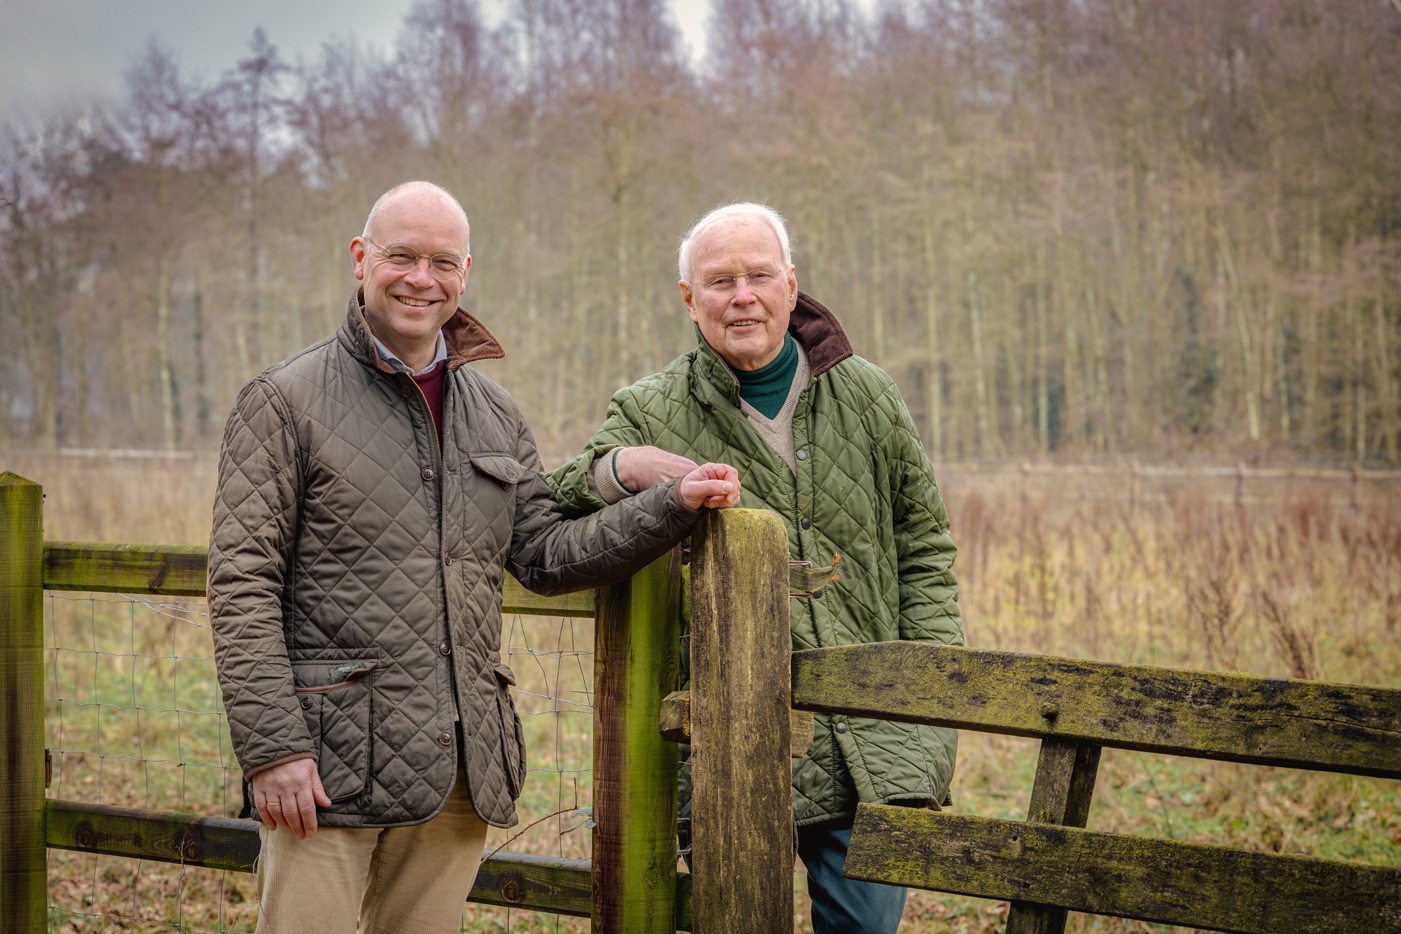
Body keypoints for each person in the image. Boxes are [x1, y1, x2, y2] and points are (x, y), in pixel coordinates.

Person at [207, 181, 740, 934]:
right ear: (360, 259)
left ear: (465, 274)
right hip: (321, 772)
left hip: (459, 767)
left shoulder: (494, 414)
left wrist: (670, 504)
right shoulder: (283, 401)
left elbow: (546, 555)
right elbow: (240, 583)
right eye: (401, 257)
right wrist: (273, 749)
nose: (420, 279)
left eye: (441, 262)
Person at [547, 202, 963, 934]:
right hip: (723, 743)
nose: (742, 296)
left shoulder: (868, 394)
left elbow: (925, 552)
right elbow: (559, 500)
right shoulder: (647, 409)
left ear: (791, 284)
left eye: (759, 275)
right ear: (688, 300)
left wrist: (925, 705)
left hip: (871, 735)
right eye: (719, 281)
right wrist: (625, 464)